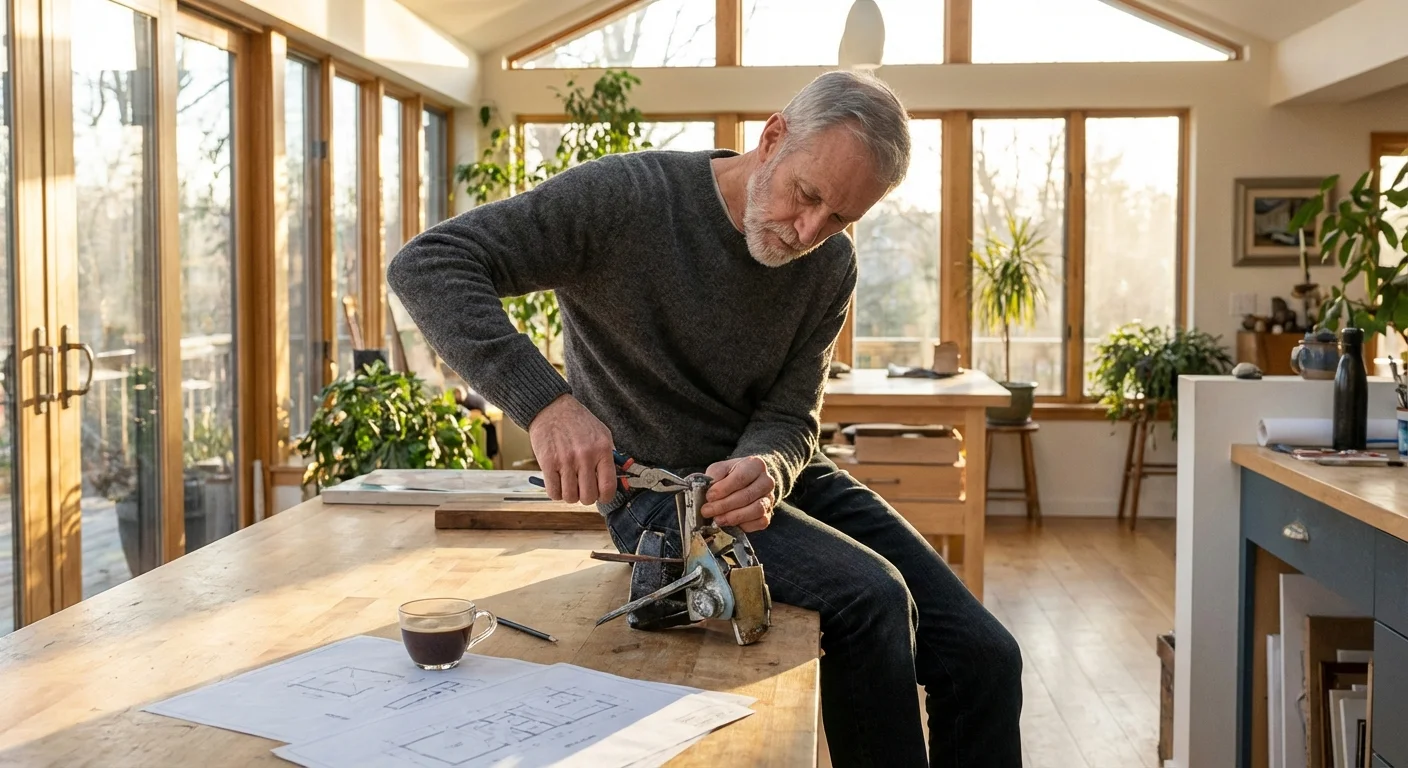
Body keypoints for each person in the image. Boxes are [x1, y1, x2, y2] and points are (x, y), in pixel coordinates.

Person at [386, 70, 1023, 767]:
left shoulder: (829, 264)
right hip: (662, 497)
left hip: (780, 479)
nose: (810, 230)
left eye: (841, 217)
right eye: (806, 196)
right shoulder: (621, 199)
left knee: (987, 658)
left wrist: (770, 466)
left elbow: (791, 410)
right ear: (773, 136)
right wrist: (547, 404)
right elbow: (430, 264)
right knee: (870, 599)